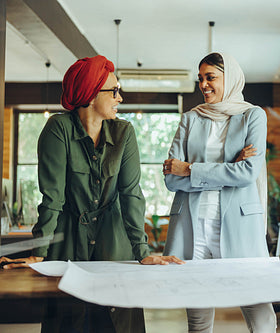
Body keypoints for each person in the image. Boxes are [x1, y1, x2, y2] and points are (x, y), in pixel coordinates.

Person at [0, 55, 184, 333]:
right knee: (70, 321)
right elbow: (53, 198)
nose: (120, 98)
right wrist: (39, 252)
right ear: (89, 94)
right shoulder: (58, 129)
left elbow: (131, 193)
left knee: (118, 322)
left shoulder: (124, 132)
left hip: (115, 245)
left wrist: (142, 250)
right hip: (68, 245)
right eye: (114, 91)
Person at [162, 52, 277, 332]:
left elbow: (247, 173)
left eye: (210, 77)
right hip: (193, 225)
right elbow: (171, 180)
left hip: (239, 224)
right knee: (198, 320)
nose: (203, 84)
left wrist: (191, 169)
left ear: (231, 78)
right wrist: (228, 169)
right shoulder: (190, 119)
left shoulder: (253, 116)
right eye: (200, 78)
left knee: (261, 316)